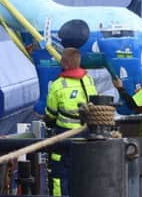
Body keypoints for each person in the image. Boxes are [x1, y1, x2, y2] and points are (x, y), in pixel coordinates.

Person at [44, 47, 97, 196]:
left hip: (64, 138)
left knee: (60, 177)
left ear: (65, 63)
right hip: (86, 135)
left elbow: (50, 114)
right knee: (83, 174)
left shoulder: (58, 85)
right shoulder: (89, 80)